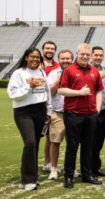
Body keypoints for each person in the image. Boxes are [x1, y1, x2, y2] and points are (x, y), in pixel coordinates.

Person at [58, 43, 104, 188]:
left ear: (90, 55)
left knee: (88, 146)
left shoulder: (94, 71)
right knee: (72, 146)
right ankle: (69, 176)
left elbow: (98, 91)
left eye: (87, 54)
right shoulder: (69, 70)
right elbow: (61, 90)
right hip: (73, 114)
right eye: (82, 54)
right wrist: (79, 93)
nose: (85, 56)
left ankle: (87, 174)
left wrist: (97, 109)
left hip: (90, 114)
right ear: (77, 54)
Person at [7, 46, 52, 191]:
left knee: (36, 144)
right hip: (23, 111)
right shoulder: (18, 73)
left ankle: (32, 177)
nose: (35, 59)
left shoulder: (41, 72)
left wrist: (49, 112)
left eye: (37, 57)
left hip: (40, 110)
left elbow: (47, 92)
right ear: (26, 57)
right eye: (32, 56)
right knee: (30, 143)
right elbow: (12, 94)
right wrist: (29, 87)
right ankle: (27, 180)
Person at [47, 49, 74, 180]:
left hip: (74, 112)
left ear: (72, 59)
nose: (65, 61)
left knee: (72, 143)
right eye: (63, 58)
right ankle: (54, 169)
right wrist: (58, 80)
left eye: (68, 58)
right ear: (59, 59)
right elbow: (49, 93)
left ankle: (71, 168)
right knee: (55, 141)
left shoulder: (76, 71)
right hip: (58, 112)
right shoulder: (53, 73)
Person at [91, 46, 105, 177]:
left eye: (100, 55)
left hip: (103, 111)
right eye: (96, 55)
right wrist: (98, 76)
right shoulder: (87, 70)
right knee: (89, 143)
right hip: (90, 112)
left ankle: (96, 167)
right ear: (91, 56)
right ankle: (87, 170)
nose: (98, 57)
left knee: (99, 142)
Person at [40, 41, 59, 172]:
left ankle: (48, 162)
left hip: (50, 105)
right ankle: (45, 162)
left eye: (52, 49)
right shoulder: (36, 64)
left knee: (49, 136)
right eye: (47, 48)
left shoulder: (57, 66)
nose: (50, 51)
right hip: (37, 103)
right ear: (43, 50)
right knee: (37, 137)